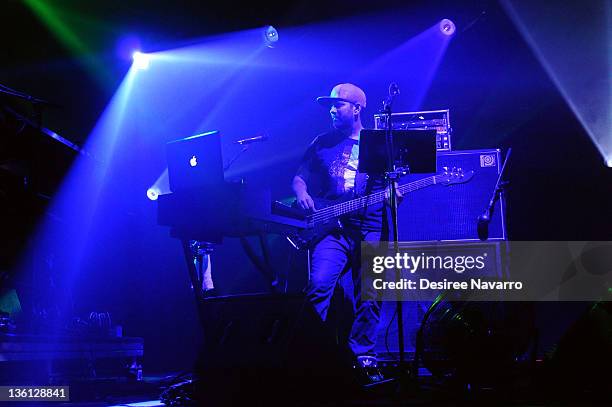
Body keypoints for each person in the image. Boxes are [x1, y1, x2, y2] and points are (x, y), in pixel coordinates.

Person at [293, 83, 401, 369]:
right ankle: (311, 352)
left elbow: (393, 183)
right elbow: (300, 178)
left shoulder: (379, 142)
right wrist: (302, 194)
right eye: (330, 105)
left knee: (370, 295)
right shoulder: (321, 142)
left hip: (373, 227)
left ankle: (362, 354)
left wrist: (394, 195)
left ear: (356, 109)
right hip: (333, 229)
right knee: (318, 285)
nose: (331, 109)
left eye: (337, 105)